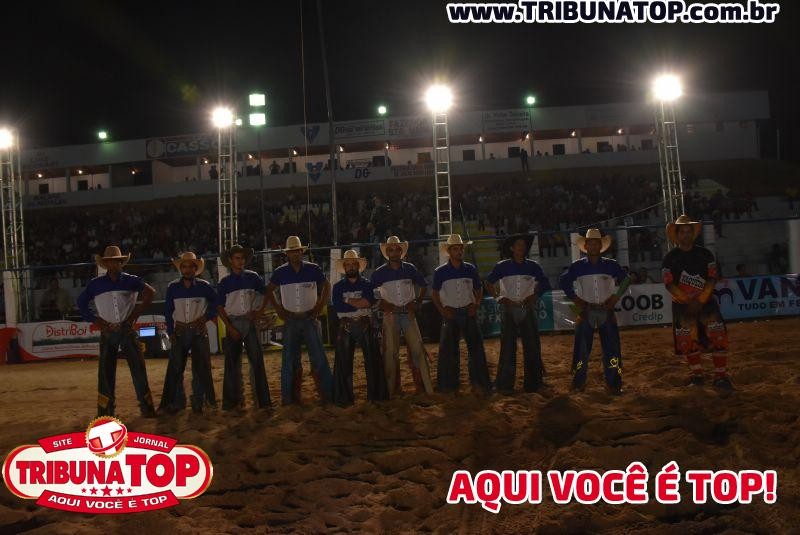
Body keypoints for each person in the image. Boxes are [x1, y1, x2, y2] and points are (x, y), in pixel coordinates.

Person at [77, 246, 157, 417]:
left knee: (137, 369)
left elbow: (151, 293)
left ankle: (145, 408)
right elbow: (81, 303)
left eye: (116, 261)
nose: (113, 264)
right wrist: (98, 321)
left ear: (121, 263)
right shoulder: (96, 284)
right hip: (110, 331)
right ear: (106, 264)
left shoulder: (130, 281)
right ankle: (107, 411)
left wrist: (133, 315)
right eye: (110, 262)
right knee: (107, 372)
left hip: (124, 329)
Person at [662, 215, 732, 390]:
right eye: (682, 232)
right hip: (686, 304)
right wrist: (689, 301)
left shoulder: (705, 254)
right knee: (688, 340)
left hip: (703, 302)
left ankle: (720, 376)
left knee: (718, 337)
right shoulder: (670, 258)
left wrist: (698, 300)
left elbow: (712, 277)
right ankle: (697, 375)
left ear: (693, 234)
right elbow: (669, 283)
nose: (686, 235)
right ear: (677, 235)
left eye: (688, 231)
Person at [559, 229, 631, 395]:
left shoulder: (609, 265)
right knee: (585, 349)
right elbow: (563, 281)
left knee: (608, 349)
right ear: (586, 246)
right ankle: (583, 382)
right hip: (588, 310)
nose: (593, 246)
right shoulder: (579, 266)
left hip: (601, 309)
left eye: (595, 243)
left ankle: (612, 383)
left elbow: (627, 279)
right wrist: (576, 299)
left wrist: (616, 297)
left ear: (600, 245)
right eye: (590, 243)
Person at [266, 236, 334, 405]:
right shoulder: (281, 272)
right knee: (292, 359)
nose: (295, 254)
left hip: (307, 317)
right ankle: (292, 398)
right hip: (292, 319)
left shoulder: (313, 269)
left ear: (301, 252)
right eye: (292, 252)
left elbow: (327, 285)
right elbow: (268, 290)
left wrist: (319, 306)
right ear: (288, 254)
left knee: (315, 358)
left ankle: (322, 395)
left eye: (297, 251)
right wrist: (279, 309)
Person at [486, 235, 551, 393]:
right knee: (509, 347)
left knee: (531, 346)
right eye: (518, 245)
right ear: (512, 248)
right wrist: (499, 298)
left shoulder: (533, 266)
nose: (521, 247)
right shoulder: (502, 266)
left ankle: (529, 384)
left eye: (523, 245)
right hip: (510, 309)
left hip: (525, 308)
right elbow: (488, 283)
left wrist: (534, 296)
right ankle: (508, 385)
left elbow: (545, 283)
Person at [371, 236, 433, 397]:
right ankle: (394, 390)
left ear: (400, 251)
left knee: (417, 349)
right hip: (391, 314)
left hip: (406, 313)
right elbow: (372, 295)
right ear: (387, 252)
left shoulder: (410, 268)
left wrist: (417, 302)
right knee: (391, 352)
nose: (394, 252)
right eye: (391, 249)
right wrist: (381, 304)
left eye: (396, 249)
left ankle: (423, 388)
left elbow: (424, 285)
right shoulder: (379, 273)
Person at [431, 234, 491, 393]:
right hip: (451, 312)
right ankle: (449, 385)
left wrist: (476, 304)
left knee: (475, 348)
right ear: (449, 251)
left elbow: (479, 290)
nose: (459, 251)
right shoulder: (440, 272)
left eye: (460, 248)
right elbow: (434, 294)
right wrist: (443, 310)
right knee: (449, 350)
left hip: (467, 310)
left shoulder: (470, 269)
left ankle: (475, 383)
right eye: (455, 249)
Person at [159, 252, 218, 414]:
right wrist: (170, 331)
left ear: (195, 268)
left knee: (201, 368)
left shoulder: (204, 286)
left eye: (190, 267)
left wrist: (206, 317)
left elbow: (218, 302)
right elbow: (168, 311)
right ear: (181, 269)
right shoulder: (173, 287)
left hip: (197, 331)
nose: (187, 270)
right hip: (180, 330)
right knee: (175, 368)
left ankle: (199, 402)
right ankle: (177, 403)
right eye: (184, 266)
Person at [216, 245, 272, 410]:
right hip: (233, 322)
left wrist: (258, 312)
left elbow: (267, 293)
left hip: (248, 322)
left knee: (256, 362)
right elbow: (219, 307)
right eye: (237, 258)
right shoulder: (224, 282)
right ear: (231, 261)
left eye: (242, 258)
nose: (240, 261)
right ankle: (234, 402)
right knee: (233, 364)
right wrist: (229, 327)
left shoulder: (253, 277)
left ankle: (261, 401)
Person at [331, 249, 387, 405]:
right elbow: (338, 308)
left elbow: (368, 303)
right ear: (344, 267)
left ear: (357, 265)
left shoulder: (367, 284)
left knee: (373, 361)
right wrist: (358, 304)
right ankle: (344, 399)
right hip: (348, 324)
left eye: (353, 264)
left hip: (364, 324)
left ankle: (375, 397)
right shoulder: (337, 287)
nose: (350, 267)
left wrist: (347, 300)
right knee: (344, 363)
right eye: (347, 264)